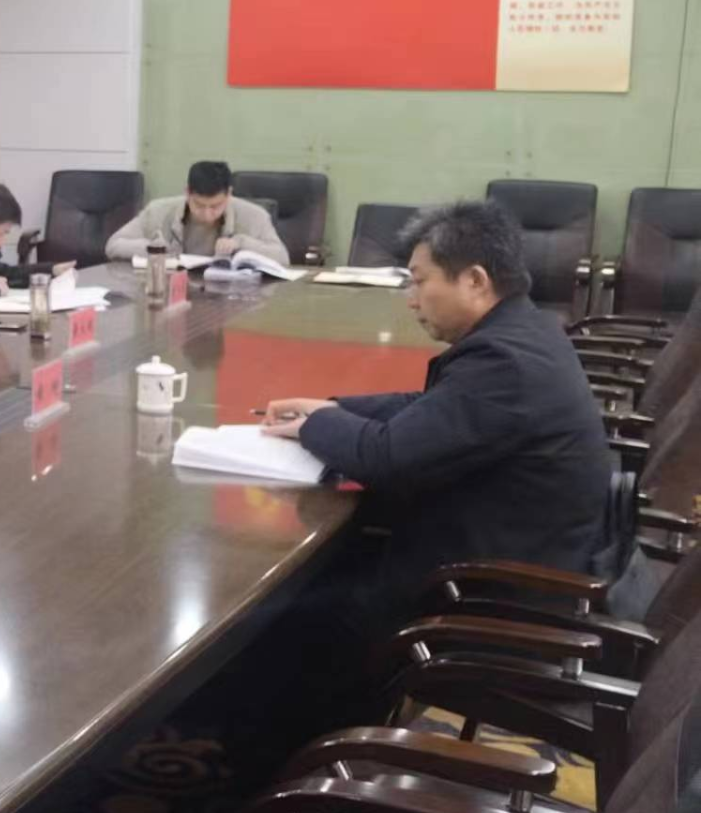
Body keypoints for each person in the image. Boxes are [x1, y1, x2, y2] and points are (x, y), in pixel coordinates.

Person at [230, 200, 612, 767]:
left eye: (419, 281)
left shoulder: (505, 363)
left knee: (286, 612)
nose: (411, 298)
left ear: (474, 280)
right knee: (317, 575)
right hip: (504, 550)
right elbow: (431, 408)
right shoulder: (524, 331)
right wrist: (331, 408)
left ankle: (284, 766)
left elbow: (387, 458)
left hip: (484, 592)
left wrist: (315, 426)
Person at [105, 160, 289, 263]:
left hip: (230, 298)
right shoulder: (158, 211)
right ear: (187, 193)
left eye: (215, 206)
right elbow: (113, 245)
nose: (207, 214)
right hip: (173, 292)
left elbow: (283, 258)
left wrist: (240, 242)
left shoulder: (254, 216)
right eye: (199, 206)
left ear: (229, 195)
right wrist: (154, 249)